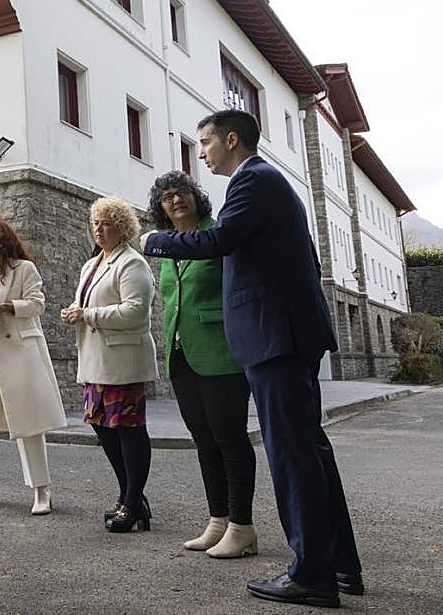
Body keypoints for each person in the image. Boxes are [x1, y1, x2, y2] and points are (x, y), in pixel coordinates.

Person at [142, 110, 362, 609]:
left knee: (292, 456)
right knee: (309, 452)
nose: (201, 152)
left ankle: (311, 574)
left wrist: (155, 240)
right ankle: (339, 564)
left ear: (231, 140)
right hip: (284, 334)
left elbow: (217, 241)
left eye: (204, 142)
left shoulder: (253, 181)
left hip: (275, 339)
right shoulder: (266, 185)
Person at [147, 171, 257, 559]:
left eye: (182, 193)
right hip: (181, 352)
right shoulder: (167, 247)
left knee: (230, 437)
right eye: (167, 197)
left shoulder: (218, 234)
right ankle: (218, 521)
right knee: (204, 439)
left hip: (220, 349)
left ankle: (242, 526)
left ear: (196, 197)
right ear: (160, 208)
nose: (175, 200)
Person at [60, 196, 157, 533]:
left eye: (105, 223)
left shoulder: (132, 264)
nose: (98, 230)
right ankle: (131, 495)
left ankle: (132, 502)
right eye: (95, 224)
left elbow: (135, 311)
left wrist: (88, 315)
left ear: (123, 227)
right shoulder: (93, 264)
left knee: (128, 430)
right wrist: (75, 309)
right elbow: (86, 299)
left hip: (122, 359)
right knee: (102, 426)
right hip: (96, 358)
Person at [0, 218, 66, 515]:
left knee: (28, 420)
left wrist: (9, 307)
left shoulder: (24, 269)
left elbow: (38, 304)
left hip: (19, 352)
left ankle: (41, 489)